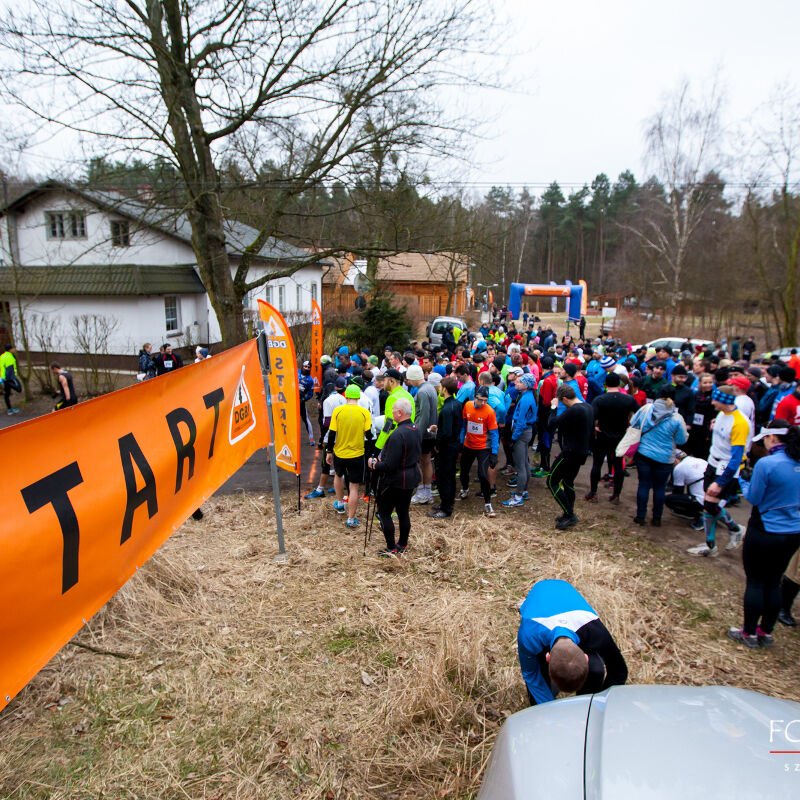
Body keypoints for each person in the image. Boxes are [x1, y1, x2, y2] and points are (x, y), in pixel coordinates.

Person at [727, 421, 800, 648]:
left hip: (765, 529)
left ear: (772, 439)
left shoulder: (767, 464)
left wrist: (743, 482)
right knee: (774, 581)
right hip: (793, 531)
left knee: (756, 582)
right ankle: (766, 632)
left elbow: (755, 498)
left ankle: (748, 632)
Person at [517, 579, 628, 706]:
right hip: (541, 597)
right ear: (547, 657)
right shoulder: (529, 635)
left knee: (596, 670)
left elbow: (619, 670)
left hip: (568, 599)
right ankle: (552, 690)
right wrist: (547, 708)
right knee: (539, 682)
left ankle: (585, 704)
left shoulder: (595, 630)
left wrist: (600, 704)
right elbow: (531, 675)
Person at [688, 385, 747, 557]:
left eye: (715, 399)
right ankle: (714, 542)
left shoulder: (740, 423)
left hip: (725, 468)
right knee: (709, 506)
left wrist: (721, 482)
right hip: (712, 463)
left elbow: (736, 457)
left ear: (723, 400)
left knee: (709, 505)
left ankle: (724, 536)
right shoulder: (722, 415)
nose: (712, 402)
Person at [368, 398, 421, 556]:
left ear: (400, 413)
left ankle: (391, 547)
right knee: (403, 511)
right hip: (411, 477)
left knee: (384, 513)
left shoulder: (398, 434)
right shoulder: (416, 428)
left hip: (396, 480)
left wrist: (374, 464)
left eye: (393, 410)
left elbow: (390, 465)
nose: (391, 413)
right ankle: (403, 544)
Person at [630, 385, 688, 527]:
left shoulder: (646, 409)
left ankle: (640, 516)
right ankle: (657, 518)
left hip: (644, 453)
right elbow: (681, 440)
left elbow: (633, 423)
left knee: (643, 484)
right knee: (659, 488)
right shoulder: (677, 418)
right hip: (665, 457)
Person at [586, 372, 639, 504]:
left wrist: (595, 428)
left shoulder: (600, 399)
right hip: (620, 435)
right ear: (619, 384)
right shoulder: (628, 399)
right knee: (618, 465)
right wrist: (630, 427)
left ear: (606, 384)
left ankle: (593, 492)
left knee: (597, 464)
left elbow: (592, 417)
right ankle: (616, 495)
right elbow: (639, 413)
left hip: (603, 434)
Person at [546, 384, 593, 530]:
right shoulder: (587, 407)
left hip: (570, 453)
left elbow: (552, 424)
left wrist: (553, 408)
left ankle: (570, 514)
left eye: (561, 401)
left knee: (551, 481)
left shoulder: (574, 410)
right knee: (568, 482)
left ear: (564, 398)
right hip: (581, 452)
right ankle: (568, 513)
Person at [327, 384, 373, 529]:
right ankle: (351, 519)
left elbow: (332, 433)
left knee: (338, 476)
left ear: (346, 396)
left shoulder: (338, 411)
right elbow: (369, 435)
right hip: (357, 453)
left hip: (339, 452)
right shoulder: (364, 412)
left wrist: (329, 451)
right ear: (358, 397)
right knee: (354, 487)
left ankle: (340, 503)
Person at [459, 385, 499, 517]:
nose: (483, 403)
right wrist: (461, 441)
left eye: (485, 400)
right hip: (468, 445)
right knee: (463, 470)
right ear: (475, 397)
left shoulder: (490, 412)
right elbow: (464, 425)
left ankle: (488, 503)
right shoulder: (468, 406)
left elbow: (494, 433)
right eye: (480, 400)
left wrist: (494, 452)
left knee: (482, 475)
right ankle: (465, 489)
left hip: (483, 447)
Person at [305, 376, 347, 498]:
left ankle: (320, 489)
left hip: (331, 435)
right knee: (339, 462)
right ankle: (337, 486)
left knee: (326, 463)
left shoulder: (328, 401)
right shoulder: (343, 398)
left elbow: (327, 422)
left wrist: (323, 438)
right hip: (342, 434)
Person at [502, 373, 537, 508]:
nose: (516, 383)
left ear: (526, 385)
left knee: (520, 466)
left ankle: (518, 496)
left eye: (519, 382)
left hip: (521, 434)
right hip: (526, 432)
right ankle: (524, 491)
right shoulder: (527, 396)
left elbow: (521, 421)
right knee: (524, 463)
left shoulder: (526, 399)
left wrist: (513, 438)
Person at [429, 376, 462, 519]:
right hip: (453, 445)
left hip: (446, 448)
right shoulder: (456, 404)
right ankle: (447, 503)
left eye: (441, 387)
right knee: (450, 476)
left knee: (444, 477)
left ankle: (445, 508)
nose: (439, 389)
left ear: (445, 389)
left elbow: (447, 433)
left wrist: (437, 445)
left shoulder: (447, 409)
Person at [406, 365, 438, 505]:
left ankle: (421, 492)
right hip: (430, 432)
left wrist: (416, 434)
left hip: (423, 433)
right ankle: (427, 491)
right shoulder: (430, 387)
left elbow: (423, 415)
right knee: (426, 460)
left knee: (419, 461)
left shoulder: (422, 392)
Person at [665, 450, 707, 530]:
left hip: (701, 500)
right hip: (715, 498)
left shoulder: (679, 468)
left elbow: (678, 491)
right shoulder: (701, 461)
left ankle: (697, 515)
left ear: (676, 460)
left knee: (669, 499)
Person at [376, 369, 415, 449]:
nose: (383, 383)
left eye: (384, 380)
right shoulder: (408, 395)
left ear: (391, 381)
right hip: (410, 437)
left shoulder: (392, 398)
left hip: (395, 441)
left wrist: (378, 446)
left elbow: (389, 425)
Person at [298, 360, 316, 446]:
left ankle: (311, 438)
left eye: (309, 367)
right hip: (291, 401)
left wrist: (304, 399)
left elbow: (310, 393)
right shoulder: (295, 372)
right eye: (305, 366)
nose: (307, 368)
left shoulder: (310, 380)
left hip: (300, 402)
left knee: (306, 419)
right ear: (302, 366)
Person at [1, 344, 21, 415]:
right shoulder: (10, 357)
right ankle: (10, 410)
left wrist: (2, 378)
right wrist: (6, 378)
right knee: (19, 389)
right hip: (10, 378)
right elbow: (7, 368)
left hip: (5, 378)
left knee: (7, 394)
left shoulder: (2, 356)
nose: (14, 350)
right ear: (10, 349)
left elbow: (2, 368)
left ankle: (10, 410)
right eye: (13, 348)